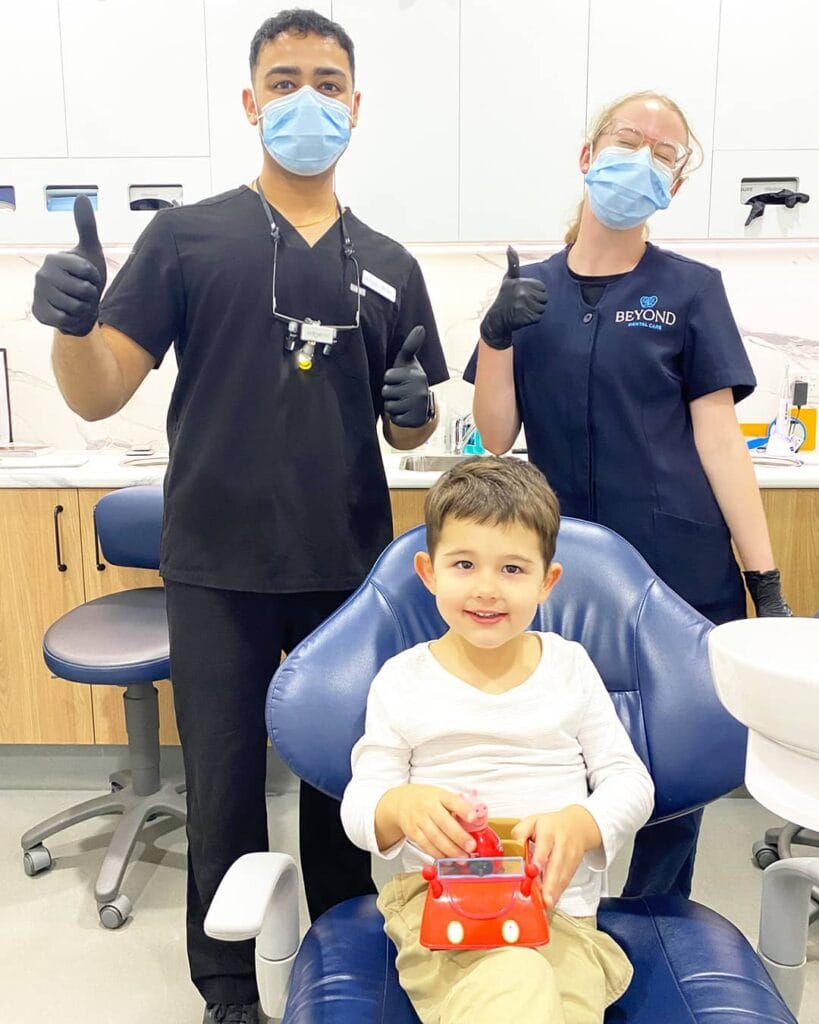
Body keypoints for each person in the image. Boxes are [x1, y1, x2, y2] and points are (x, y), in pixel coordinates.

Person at [31, 10, 448, 1022]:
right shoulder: (185, 238)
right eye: (287, 79)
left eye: (330, 82)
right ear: (252, 101)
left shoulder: (391, 260)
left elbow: (413, 421)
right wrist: (72, 326)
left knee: (343, 783)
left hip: (346, 566)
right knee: (222, 784)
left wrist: (414, 411)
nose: (310, 99)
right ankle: (226, 988)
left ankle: (343, 963)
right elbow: (96, 392)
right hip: (216, 564)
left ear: (357, 105)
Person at [466, 90, 790, 903]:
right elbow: (496, 434)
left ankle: (654, 920)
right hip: (556, 570)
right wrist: (495, 335)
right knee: (559, 753)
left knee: (668, 760)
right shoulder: (524, 290)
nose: (642, 156)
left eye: (664, 151)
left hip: (676, 561)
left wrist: (766, 584)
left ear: (673, 185)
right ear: (586, 156)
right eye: (626, 138)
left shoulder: (689, 289)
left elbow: (720, 444)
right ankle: (555, 919)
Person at [341, 456, 654, 1024]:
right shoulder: (401, 680)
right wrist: (399, 806)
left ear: (547, 581)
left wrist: (581, 823)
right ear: (429, 572)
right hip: (438, 910)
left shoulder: (571, 668)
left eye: (513, 569)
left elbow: (630, 781)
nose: (487, 589)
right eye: (464, 564)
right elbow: (360, 805)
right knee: (517, 979)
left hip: (560, 913)